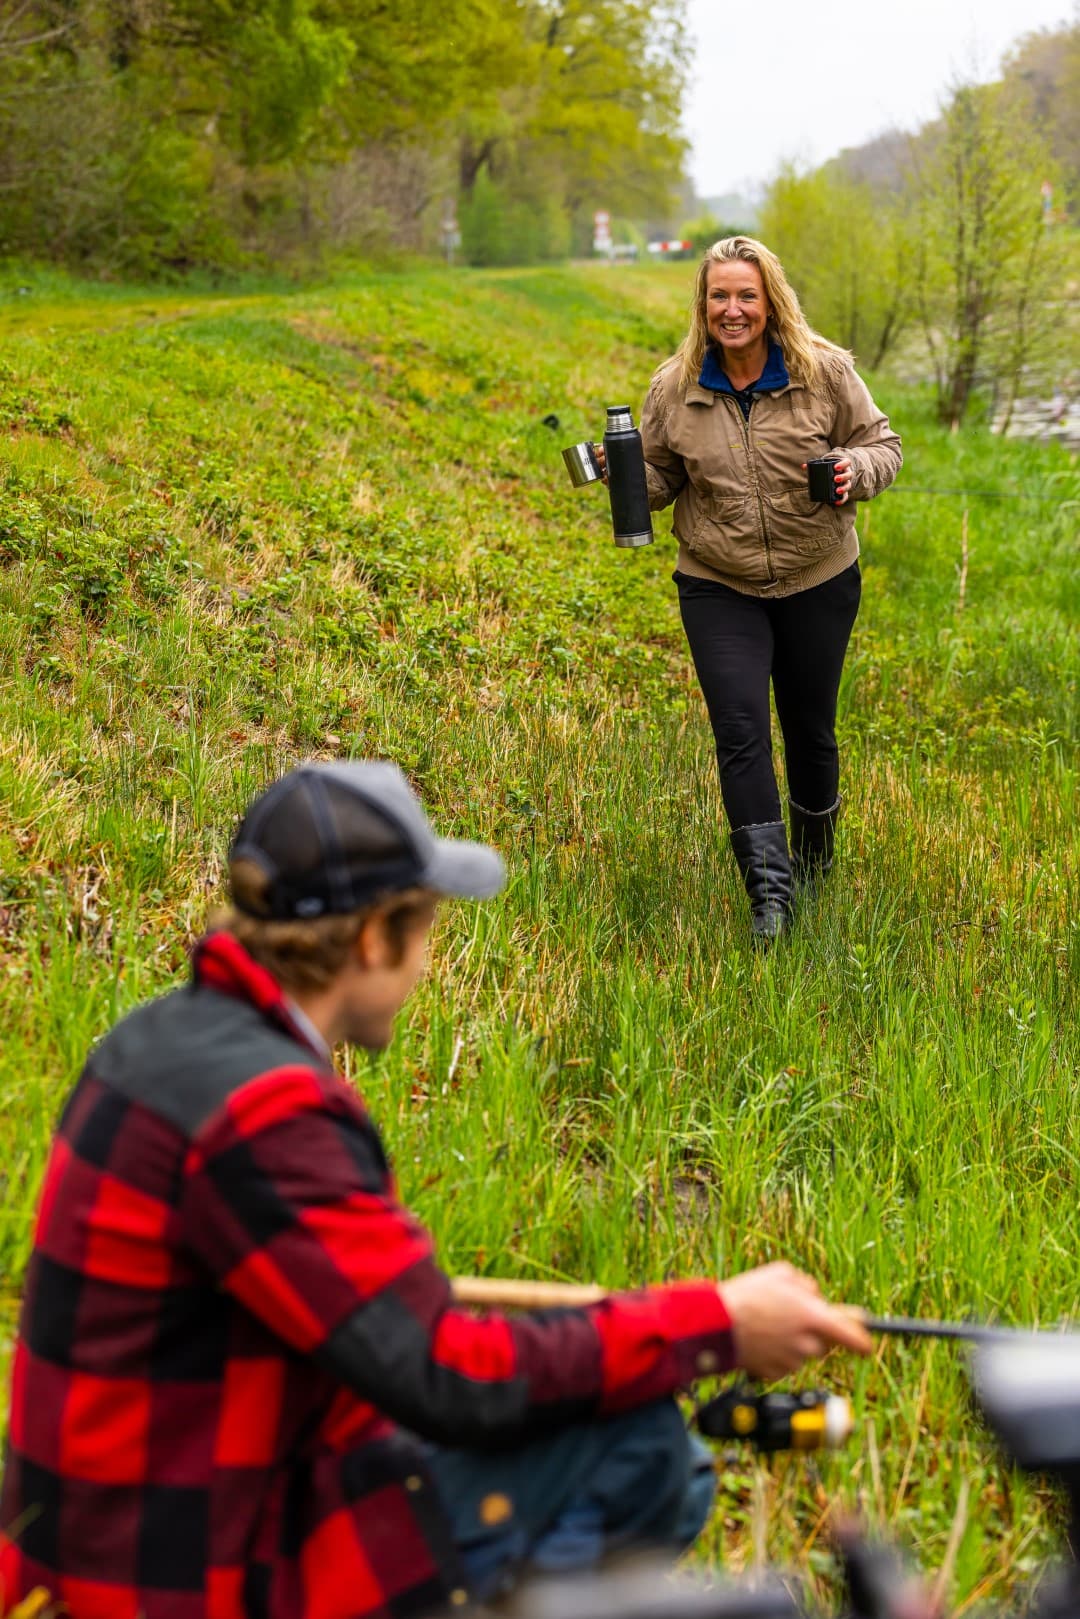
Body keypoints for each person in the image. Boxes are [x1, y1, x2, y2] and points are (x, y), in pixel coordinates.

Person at [0, 760, 871, 1619]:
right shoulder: (268, 1112)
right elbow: (448, 1373)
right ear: (375, 938)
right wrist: (716, 1323)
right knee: (646, 1453)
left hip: (116, 1532)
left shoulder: (155, 1040)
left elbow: (374, 1337)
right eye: (423, 931)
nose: (424, 964)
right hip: (186, 1577)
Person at [630, 236, 902, 943]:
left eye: (746, 294)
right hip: (718, 581)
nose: (732, 309)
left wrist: (852, 468)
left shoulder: (825, 371)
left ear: (770, 299)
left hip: (819, 576)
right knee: (741, 731)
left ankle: (813, 867)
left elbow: (884, 445)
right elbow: (662, 481)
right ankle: (771, 900)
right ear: (702, 304)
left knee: (810, 730)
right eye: (719, 295)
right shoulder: (674, 387)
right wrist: (623, 473)